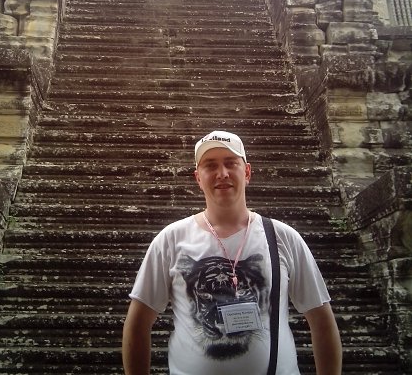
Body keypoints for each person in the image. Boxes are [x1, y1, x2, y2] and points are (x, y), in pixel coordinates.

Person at [122, 130, 342, 375]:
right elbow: (138, 322)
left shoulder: (282, 237)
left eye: (230, 163)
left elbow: (321, 320)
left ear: (247, 172)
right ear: (198, 177)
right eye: (210, 165)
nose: (222, 173)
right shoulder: (171, 240)